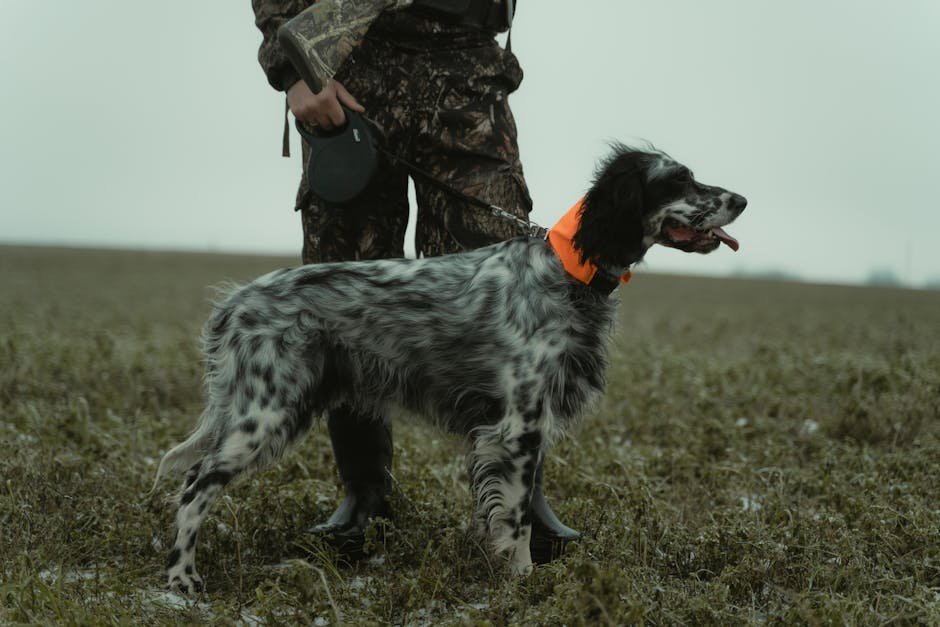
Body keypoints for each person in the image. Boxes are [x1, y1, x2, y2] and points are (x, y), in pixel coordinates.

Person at [251, 0, 577, 563]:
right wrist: (293, 68)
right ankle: (364, 499)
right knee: (346, 294)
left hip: (464, 66)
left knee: (503, 293)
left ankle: (520, 504)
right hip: (346, 61)